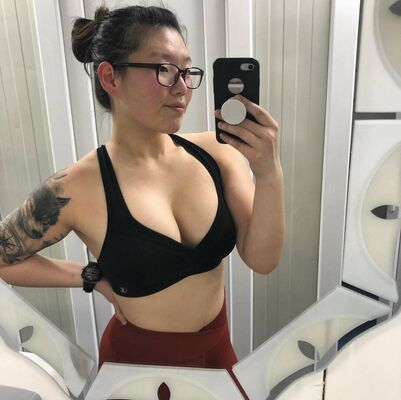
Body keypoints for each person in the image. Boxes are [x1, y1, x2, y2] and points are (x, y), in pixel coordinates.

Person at [0, 3, 284, 397]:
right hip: (136, 372)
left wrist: (268, 172)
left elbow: (263, 261)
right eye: (164, 69)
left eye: (187, 71)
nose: (182, 87)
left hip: (219, 355)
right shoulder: (77, 186)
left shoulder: (218, 153)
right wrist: (89, 276)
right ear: (110, 76)